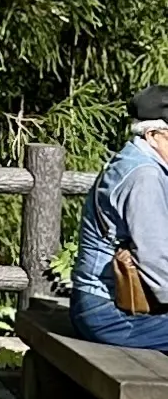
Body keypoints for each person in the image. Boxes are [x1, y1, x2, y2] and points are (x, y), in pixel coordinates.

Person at [69, 87, 168, 348]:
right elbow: (157, 259)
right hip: (113, 313)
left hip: (100, 304)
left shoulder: (131, 160)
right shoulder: (144, 175)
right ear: (153, 135)